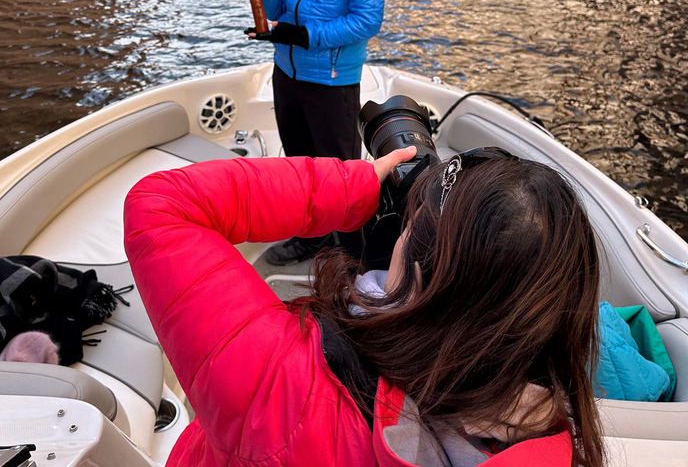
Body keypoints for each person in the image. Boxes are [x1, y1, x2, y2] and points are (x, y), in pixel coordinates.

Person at [123, 147, 604, 467]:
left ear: (419, 277)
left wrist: (352, 186)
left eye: (409, 226)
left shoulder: (281, 382)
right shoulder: (554, 443)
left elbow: (160, 204)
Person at [232, 0, 384, 264]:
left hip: (333, 78)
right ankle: (313, 237)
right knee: (300, 165)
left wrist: (305, 37)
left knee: (342, 177)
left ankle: (358, 262)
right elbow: (276, 9)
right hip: (286, 71)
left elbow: (367, 19)